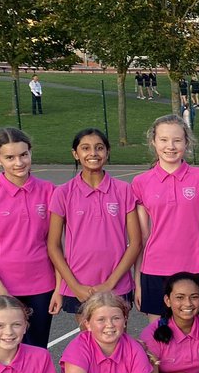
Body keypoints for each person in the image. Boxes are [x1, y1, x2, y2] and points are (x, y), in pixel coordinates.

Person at [0, 128, 58, 349]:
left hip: (42, 286)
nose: (19, 162)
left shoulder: (49, 191)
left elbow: (56, 244)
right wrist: (0, 291)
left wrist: (59, 287)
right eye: (10, 157)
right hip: (3, 285)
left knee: (37, 349)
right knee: (6, 348)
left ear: (30, 153)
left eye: (23, 155)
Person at [47, 128, 141, 318]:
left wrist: (109, 284)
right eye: (85, 148)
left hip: (117, 284)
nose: (93, 153)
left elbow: (136, 242)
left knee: (116, 338)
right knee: (88, 343)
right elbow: (53, 245)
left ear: (107, 152)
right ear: (75, 153)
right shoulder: (63, 193)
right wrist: (75, 287)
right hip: (80, 286)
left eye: (99, 148)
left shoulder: (124, 190)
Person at [131, 115, 199, 321]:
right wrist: (138, 280)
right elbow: (141, 238)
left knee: (193, 340)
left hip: (194, 268)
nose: (171, 146)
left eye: (177, 140)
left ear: (186, 142)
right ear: (154, 142)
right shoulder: (141, 182)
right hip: (154, 270)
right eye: (164, 140)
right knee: (160, 339)